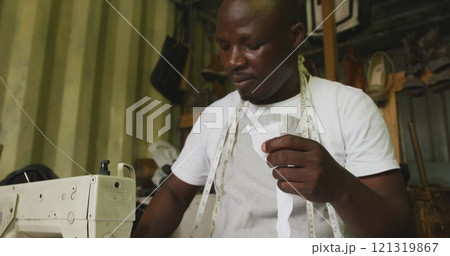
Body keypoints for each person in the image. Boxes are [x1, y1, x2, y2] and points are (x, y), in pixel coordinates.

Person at [133, 0, 413, 238]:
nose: (232, 62)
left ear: (295, 36)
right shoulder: (215, 116)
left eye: (251, 45)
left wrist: (341, 188)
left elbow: (400, 233)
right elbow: (174, 192)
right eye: (224, 46)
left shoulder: (348, 107)